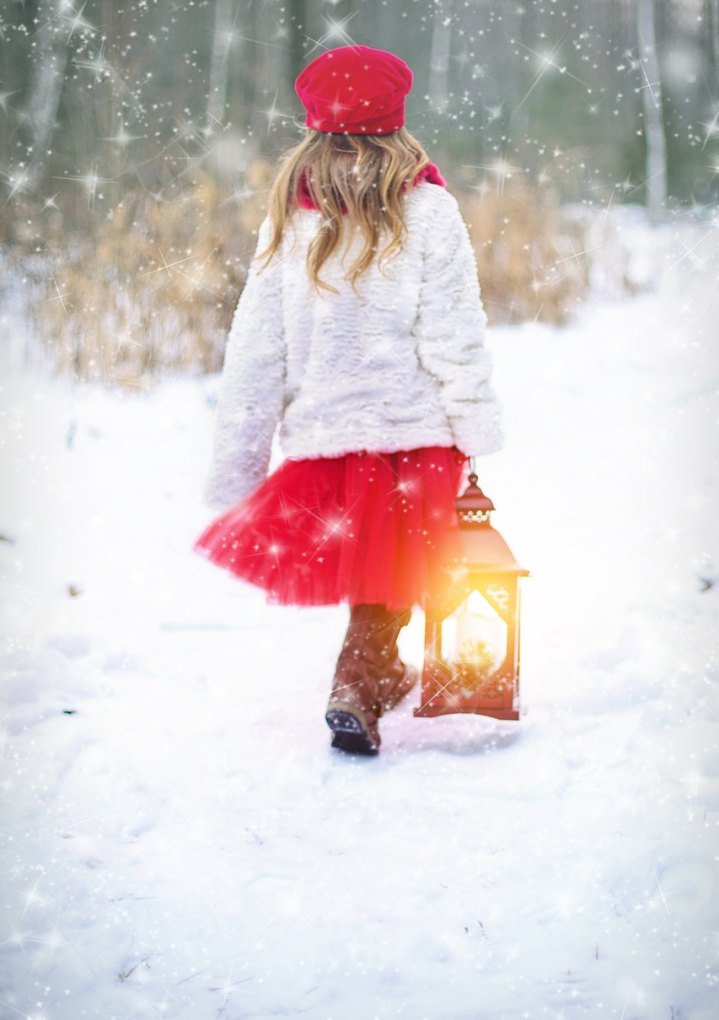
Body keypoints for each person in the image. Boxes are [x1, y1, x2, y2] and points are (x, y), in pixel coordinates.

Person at [193, 44, 503, 756]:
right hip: (416, 434)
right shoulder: (429, 211)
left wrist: (239, 463)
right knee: (399, 565)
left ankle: (374, 674)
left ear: (313, 124)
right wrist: (475, 427)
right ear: (397, 121)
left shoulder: (289, 217)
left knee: (380, 565)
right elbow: (454, 336)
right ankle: (363, 678)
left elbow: (256, 352)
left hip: (328, 438)